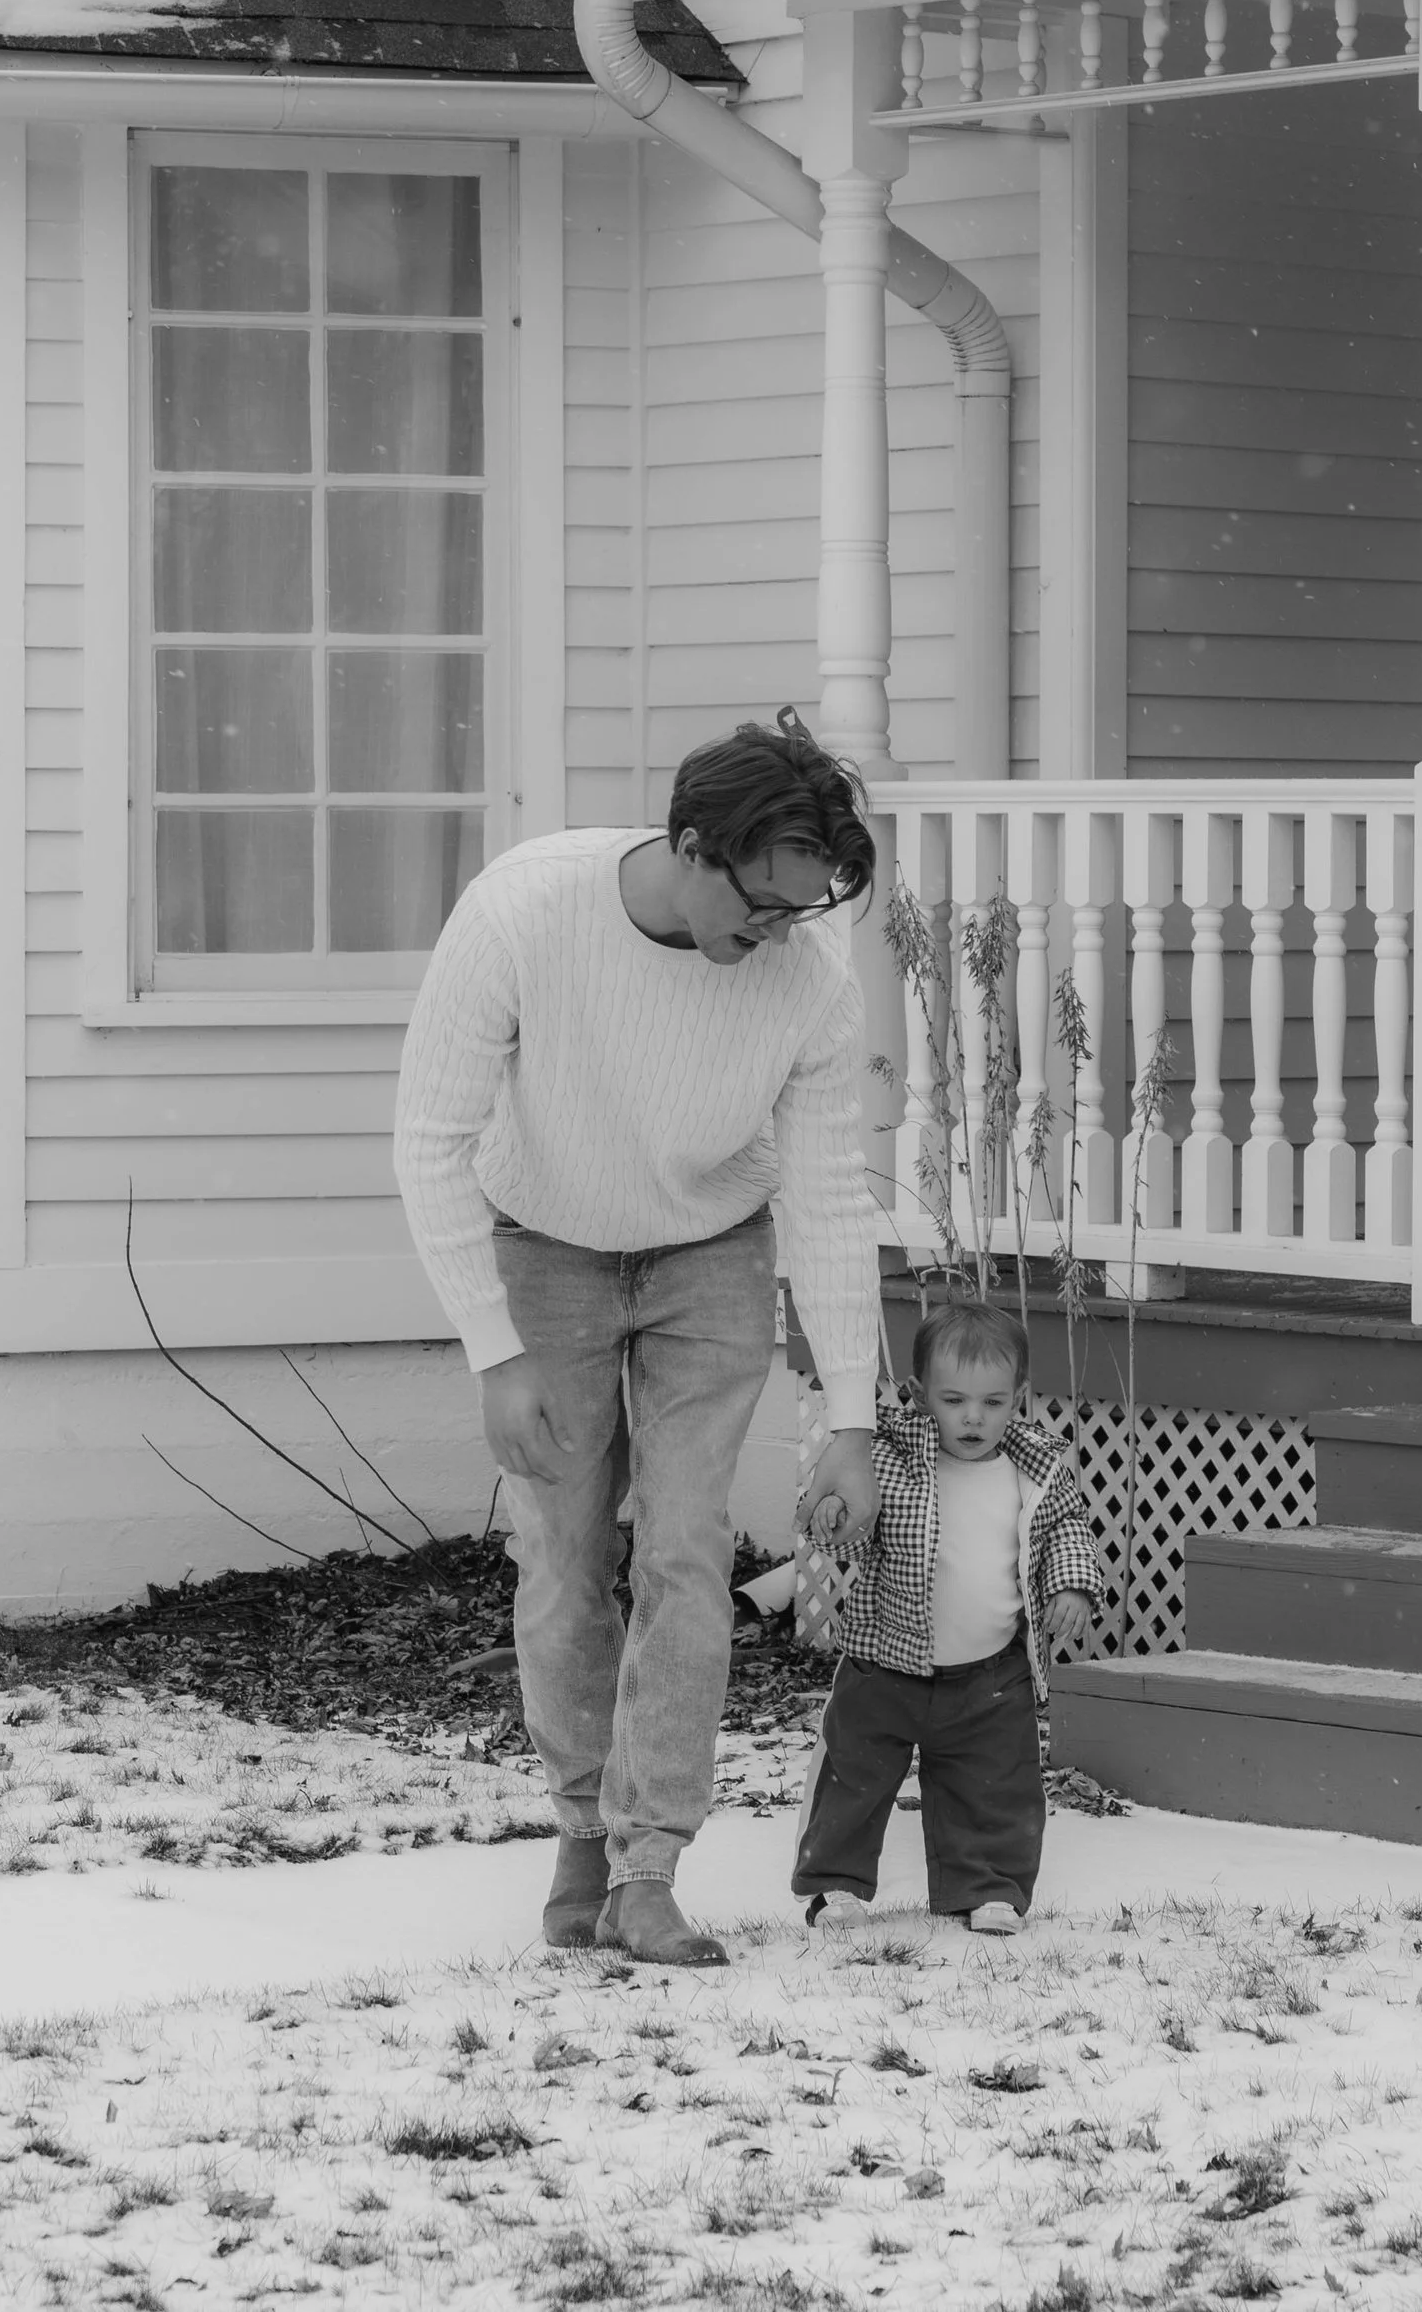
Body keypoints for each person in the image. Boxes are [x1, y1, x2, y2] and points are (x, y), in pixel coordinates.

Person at [392, 708, 886, 1966]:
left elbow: (829, 1196)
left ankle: (651, 1865)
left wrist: (850, 1420)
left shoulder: (807, 985)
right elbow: (430, 1140)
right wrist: (492, 1349)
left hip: (711, 1252)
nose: (775, 935)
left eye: (798, 912)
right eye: (760, 905)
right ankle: (579, 1829)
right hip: (543, 1244)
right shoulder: (521, 913)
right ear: (690, 843)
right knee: (562, 1556)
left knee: (684, 1549)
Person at [792, 1297, 1104, 1934]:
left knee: (996, 1783)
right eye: (954, 1399)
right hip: (884, 1665)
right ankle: (835, 1886)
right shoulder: (892, 1459)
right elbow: (855, 1529)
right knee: (854, 1774)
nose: (973, 1418)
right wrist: (834, 1520)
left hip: (989, 1674)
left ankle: (988, 1887)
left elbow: (1067, 1529)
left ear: (1018, 1396)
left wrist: (1071, 1586)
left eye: (993, 1403)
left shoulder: (1035, 1469)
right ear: (921, 1393)